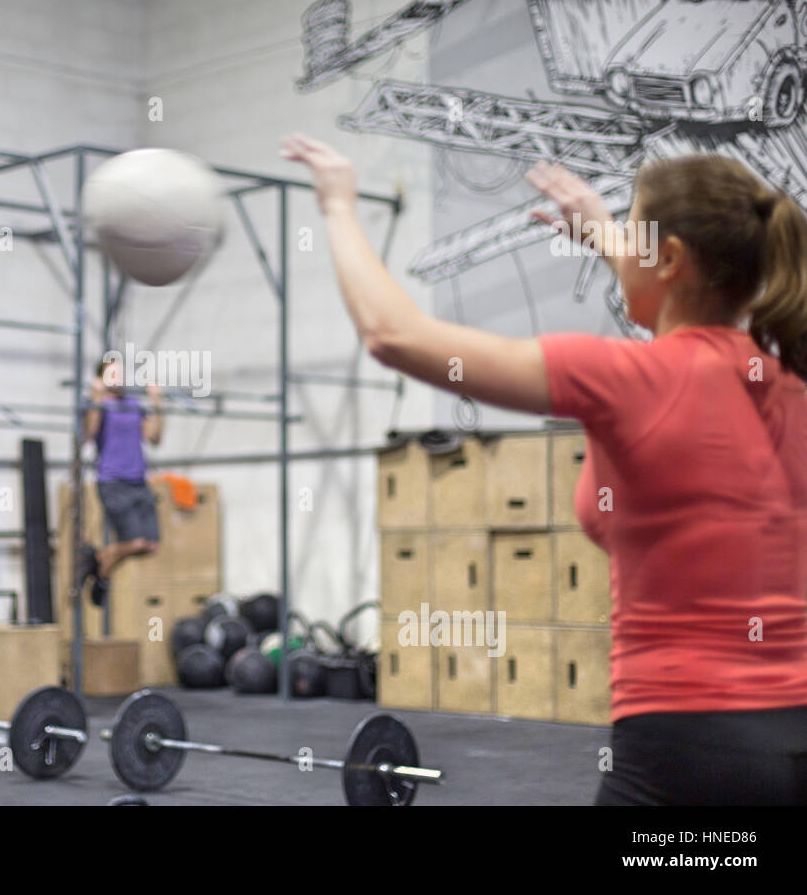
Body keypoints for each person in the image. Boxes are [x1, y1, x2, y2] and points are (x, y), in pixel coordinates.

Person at [281, 133, 807, 805]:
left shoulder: (622, 377)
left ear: (669, 259)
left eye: (635, 234)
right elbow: (691, 344)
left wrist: (338, 208)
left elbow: (395, 335)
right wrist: (614, 241)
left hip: (684, 752)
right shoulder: (785, 375)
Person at [79, 355, 163, 604]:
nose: (120, 378)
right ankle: (102, 564)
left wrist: (157, 403)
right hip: (112, 480)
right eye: (113, 374)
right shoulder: (99, 405)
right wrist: (96, 398)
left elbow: (154, 438)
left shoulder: (135, 405)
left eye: (121, 373)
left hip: (138, 480)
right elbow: (89, 434)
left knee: (151, 544)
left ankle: (102, 561)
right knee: (136, 541)